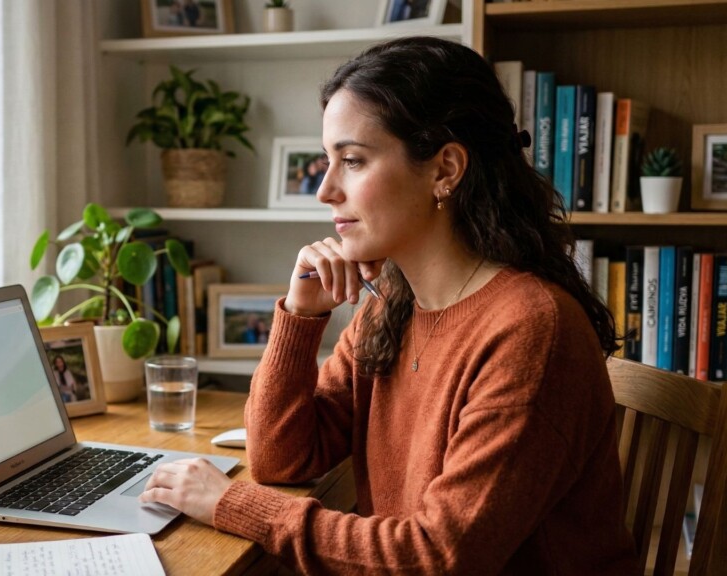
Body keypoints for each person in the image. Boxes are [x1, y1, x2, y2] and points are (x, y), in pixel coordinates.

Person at [139, 36, 636, 574]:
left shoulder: (530, 330)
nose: (325, 190)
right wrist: (302, 316)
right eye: (328, 161)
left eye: (352, 160)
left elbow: (437, 557)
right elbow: (280, 457)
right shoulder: (394, 304)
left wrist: (232, 503)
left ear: (445, 170)